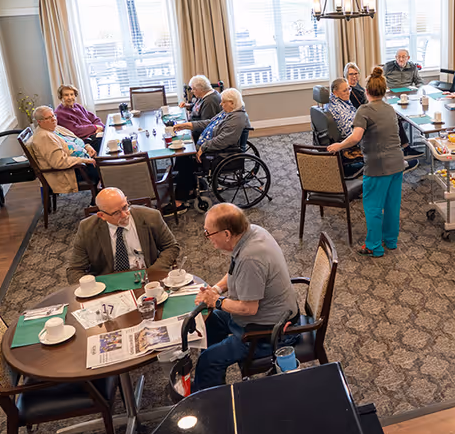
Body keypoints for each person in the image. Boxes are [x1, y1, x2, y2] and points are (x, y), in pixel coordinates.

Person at [192, 204, 300, 391]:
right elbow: (234, 272)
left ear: (226, 234)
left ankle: (211, 401)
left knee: (208, 360)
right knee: (210, 322)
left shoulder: (251, 258)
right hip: (266, 316)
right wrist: (216, 289)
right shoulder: (252, 232)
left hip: (268, 332)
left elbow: (248, 309)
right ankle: (213, 380)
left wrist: (216, 301)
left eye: (208, 233)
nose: (207, 238)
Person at [328, 67, 415, 257]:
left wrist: (339, 146)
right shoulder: (391, 109)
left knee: (373, 206)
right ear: (384, 91)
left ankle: (374, 246)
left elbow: (355, 137)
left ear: (366, 91)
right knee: (392, 205)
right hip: (397, 164)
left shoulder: (364, 110)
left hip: (377, 166)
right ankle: (391, 241)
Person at [66, 187, 180, 279]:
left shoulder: (150, 216)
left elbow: (171, 247)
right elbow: (75, 269)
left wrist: (153, 272)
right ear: (102, 215)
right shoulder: (87, 228)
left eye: (125, 207)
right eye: (116, 213)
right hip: (109, 283)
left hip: (147, 277)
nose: (125, 215)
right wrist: (92, 288)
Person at [169, 88, 250, 211]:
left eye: (223, 102)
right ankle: (187, 183)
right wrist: (186, 125)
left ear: (232, 103)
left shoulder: (237, 119)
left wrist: (204, 146)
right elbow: (209, 123)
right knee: (183, 151)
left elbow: (224, 140)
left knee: (186, 157)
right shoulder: (228, 112)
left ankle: (180, 199)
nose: (220, 104)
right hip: (215, 145)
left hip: (223, 153)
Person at [29, 105, 98, 193]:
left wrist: (87, 146)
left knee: (101, 151)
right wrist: (84, 160)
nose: (53, 119)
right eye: (48, 118)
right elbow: (59, 162)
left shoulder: (55, 128)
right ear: (39, 121)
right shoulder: (44, 137)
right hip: (72, 172)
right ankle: (99, 200)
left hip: (82, 162)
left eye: (53, 115)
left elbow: (75, 140)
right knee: (104, 168)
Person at [326, 78, 364, 178]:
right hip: (354, 139)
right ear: (335, 92)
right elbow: (351, 134)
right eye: (345, 90)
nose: (348, 93)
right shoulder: (339, 110)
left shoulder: (336, 100)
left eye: (349, 89)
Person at [54, 84, 104, 151]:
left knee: (110, 130)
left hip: (94, 133)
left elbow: (94, 118)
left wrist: (100, 127)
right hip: (85, 140)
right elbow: (76, 131)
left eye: (72, 94)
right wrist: (95, 127)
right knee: (106, 140)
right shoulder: (60, 113)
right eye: (66, 95)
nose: (70, 97)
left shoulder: (77, 106)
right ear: (61, 97)